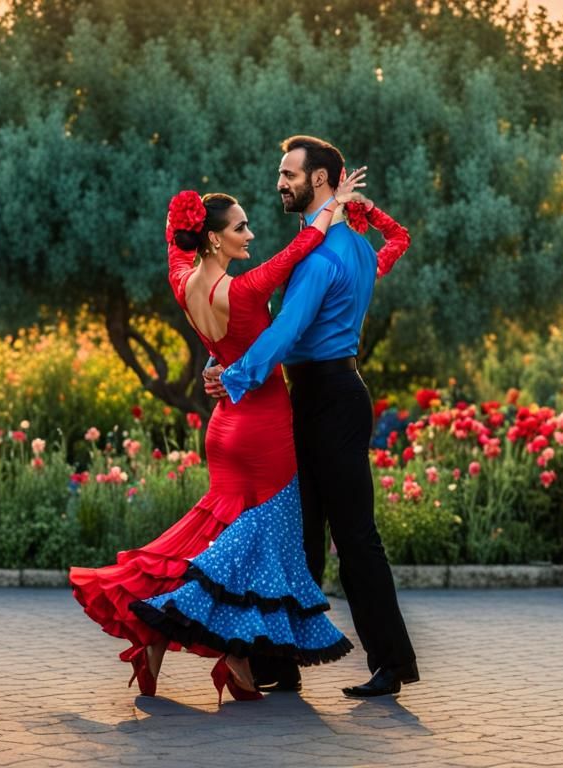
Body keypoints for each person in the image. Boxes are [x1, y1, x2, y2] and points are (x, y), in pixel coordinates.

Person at [71, 165, 408, 703]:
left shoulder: (183, 277)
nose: (251, 234)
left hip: (231, 420)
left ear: (318, 177)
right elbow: (301, 288)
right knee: (263, 541)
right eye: (241, 227)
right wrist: (346, 209)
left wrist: (222, 366)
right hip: (265, 416)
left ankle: (191, 642)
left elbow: (184, 245)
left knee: (224, 539)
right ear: (213, 236)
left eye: (289, 174)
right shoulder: (255, 284)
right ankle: (242, 654)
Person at [204, 135, 419, 698]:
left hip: (327, 396)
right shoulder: (350, 248)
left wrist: (235, 378)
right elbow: (397, 240)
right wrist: (364, 212)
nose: (281, 183)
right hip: (326, 395)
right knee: (302, 535)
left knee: (351, 537)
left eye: (289, 174)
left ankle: (391, 663)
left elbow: (286, 331)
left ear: (320, 180)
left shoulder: (321, 257)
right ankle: (282, 662)